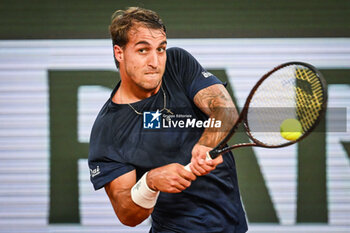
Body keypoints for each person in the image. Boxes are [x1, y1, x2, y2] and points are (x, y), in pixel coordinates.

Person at [88, 7, 248, 233]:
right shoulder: (108, 130)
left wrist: (206, 144)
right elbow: (126, 213)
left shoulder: (177, 64)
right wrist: (150, 182)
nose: (155, 61)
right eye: (143, 50)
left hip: (232, 227)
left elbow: (225, 110)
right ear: (119, 53)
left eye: (161, 49)